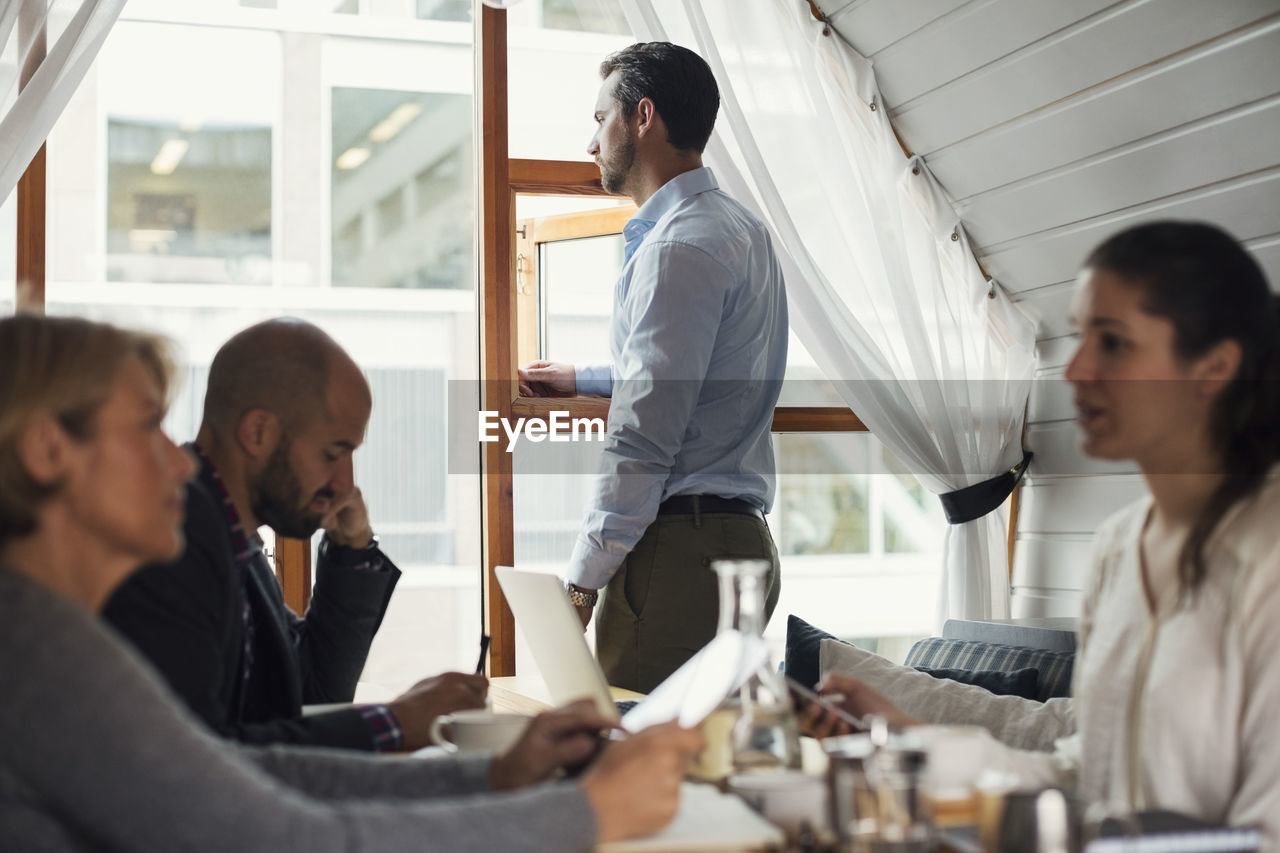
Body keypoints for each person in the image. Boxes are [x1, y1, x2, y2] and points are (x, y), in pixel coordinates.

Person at [0, 313, 704, 852]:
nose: (183, 463)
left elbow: (241, 770)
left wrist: (488, 776)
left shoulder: (42, 628)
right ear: (47, 450)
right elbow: (274, 833)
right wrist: (586, 811)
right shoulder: (36, 654)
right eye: (147, 427)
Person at [805, 222, 1280, 838]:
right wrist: (907, 738)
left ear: (1214, 366)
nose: (1076, 369)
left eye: (1112, 343)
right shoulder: (1119, 548)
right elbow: (1082, 776)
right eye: (1081, 337)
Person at [518, 42, 789, 694]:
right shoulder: (739, 231)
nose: (590, 142)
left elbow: (645, 431)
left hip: (681, 554)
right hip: (738, 542)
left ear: (642, 117)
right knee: (699, 763)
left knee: (621, 759)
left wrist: (582, 582)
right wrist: (585, 378)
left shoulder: (678, 248)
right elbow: (699, 371)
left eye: (599, 118)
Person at [103, 318, 486, 751]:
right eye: (332, 453)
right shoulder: (173, 544)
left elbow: (310, 693)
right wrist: (393, 724)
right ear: (258, 433)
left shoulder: (230, 535)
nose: (346, 485)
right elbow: (206, 761)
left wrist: (351, 550)